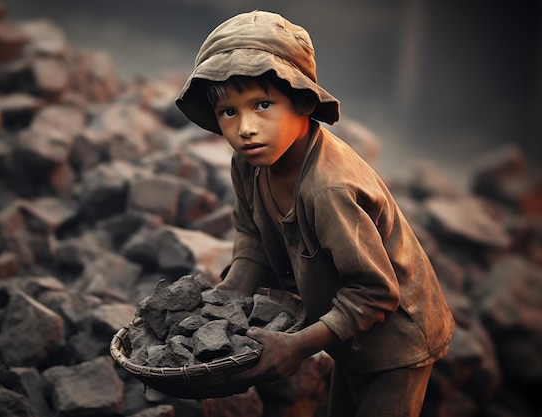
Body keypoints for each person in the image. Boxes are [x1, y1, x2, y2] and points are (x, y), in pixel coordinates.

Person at [175, 10, 454, 417]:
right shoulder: (249, 163)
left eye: (263, 104)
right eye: (229, 112)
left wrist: (297, 346)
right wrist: (224, 302)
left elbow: (376, 293)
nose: (246, 128)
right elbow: (251, 235)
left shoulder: (328, 189)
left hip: (399, 338)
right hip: (348, 333)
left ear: (303, 102)